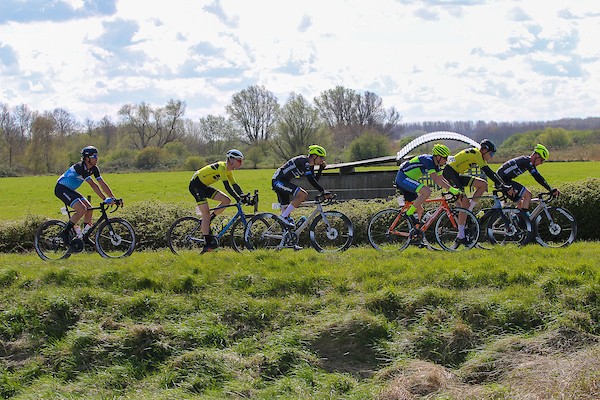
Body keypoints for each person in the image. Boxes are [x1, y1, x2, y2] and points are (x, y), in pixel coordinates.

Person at [442, 138, 509, 244]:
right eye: (491, 154)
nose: (491, 157)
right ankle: (461, 235)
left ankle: (469, 210)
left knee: (483, 185)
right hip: (449, 173)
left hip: (456, 174)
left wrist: (502, 184)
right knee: (464, 203)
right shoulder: (477, 153)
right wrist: (502, 185)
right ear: (484, 150)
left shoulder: (478, 154)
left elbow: (491, 173)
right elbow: (488, 172)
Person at [55, 146, 119, 246]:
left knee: (89, 208)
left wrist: (113, 198)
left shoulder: (94, 168)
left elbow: (102, 183)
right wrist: (105, 199)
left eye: (97, 156)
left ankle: (85, 236)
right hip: (61, 189)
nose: (97, 158)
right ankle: (65, 233)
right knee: (82, 209)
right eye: (94, 156)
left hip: (70, 190)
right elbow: (93, 185)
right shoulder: (81, 167)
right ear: (87, 158)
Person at [395, 143, 461, 239]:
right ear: (438, 157)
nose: (446, 161)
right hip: (403, 178)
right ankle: (408, 213)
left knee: (420, 209)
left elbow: (441, 178)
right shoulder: (428, 161)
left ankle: (416, 235)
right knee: (426, 192)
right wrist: (451, 189)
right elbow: (436, 179)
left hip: (409, 179)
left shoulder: (436, 164)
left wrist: (452, 188)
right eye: (445, 158)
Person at [189, 149, 247, 253]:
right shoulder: (222, 167)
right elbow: (227, 187)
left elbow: (235, 185)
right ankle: (207, 244)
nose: (240, 163)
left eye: (241, 161)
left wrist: (243, 195)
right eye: (238, 160)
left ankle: (210, 219)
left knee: (226, 200)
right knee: (205, 215)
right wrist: (238, 198)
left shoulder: (229, 171)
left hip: (204, 186)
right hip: (196, 186)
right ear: (231, 160)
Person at [272, 145, 332, 229]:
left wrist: (320, 169)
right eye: (321, 157)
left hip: (283, 182)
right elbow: (311, 180)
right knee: (302, 195)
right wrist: (323, 191)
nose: (323, 160)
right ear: (314, 156)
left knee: (287, 221)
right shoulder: (304, 162)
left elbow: (314, 180)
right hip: (278, 181)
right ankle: (283, 217)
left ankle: (286, 234)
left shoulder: (309, 165)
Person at [497, 144, 560, 213]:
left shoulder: (527, 161)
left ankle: (517, 221)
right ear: (536, 156)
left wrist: (550, 189)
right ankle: (524, 222)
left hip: (503, 181)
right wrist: (550, 189)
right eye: (541, 160)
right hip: (503, 181)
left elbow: (538, 176)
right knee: (528, 195)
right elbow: (537, 177)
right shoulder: (527, 162)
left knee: (520, 205)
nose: (541, 163)